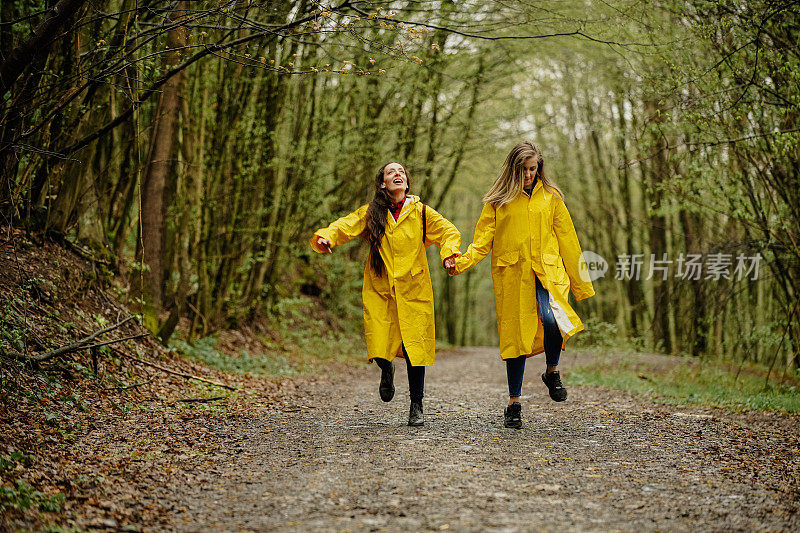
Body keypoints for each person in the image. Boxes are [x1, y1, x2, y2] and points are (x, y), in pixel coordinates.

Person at [449, 142, 594, 429]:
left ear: (539, 167)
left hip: (547, 273)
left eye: (533, 169)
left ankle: (552, 371)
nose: (529, 175)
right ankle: (514, 404)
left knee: (553, 320)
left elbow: (569, 240)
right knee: (516, 339)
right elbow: (482, 241)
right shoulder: (497, 201)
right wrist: (461, 262)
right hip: (513, 275)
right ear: (513, 169)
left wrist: (581, 283)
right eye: (524, 170)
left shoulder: (551, 198)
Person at [310, 162, 461, 426]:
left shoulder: (422, 212)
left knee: (415, 348)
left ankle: (417, 405)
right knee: (378, 342)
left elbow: (450, 231)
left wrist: (449, 253)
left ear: (407, 182)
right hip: (380, 288)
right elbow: (346, 225)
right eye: (391, 172)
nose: (397, 175)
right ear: (382, 183)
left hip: (414, 289)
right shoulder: (372, 212)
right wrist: (327, 237)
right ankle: (386, 368)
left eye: (401, 172)